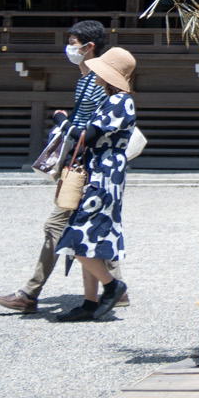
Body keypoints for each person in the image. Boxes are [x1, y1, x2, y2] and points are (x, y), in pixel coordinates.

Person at [0, 19, 128, 313]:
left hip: (87, 166)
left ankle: (32, 292)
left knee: (61, 226)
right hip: (86, 165)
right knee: (93, 227)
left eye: (73, 42)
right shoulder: (86, 80)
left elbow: (88, 131)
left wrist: (62, 123)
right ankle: (111, 287)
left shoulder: (97, 83)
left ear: (89, 47)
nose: (69, 47)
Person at [49, 47, 138, 322]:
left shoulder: (119, 102)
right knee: (90, 242)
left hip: (104, 177)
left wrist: (62, 121)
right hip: (99, 173)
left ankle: (112, 286)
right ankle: (89, 302)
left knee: (75, 238)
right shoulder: (112, 100)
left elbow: (87, 136)